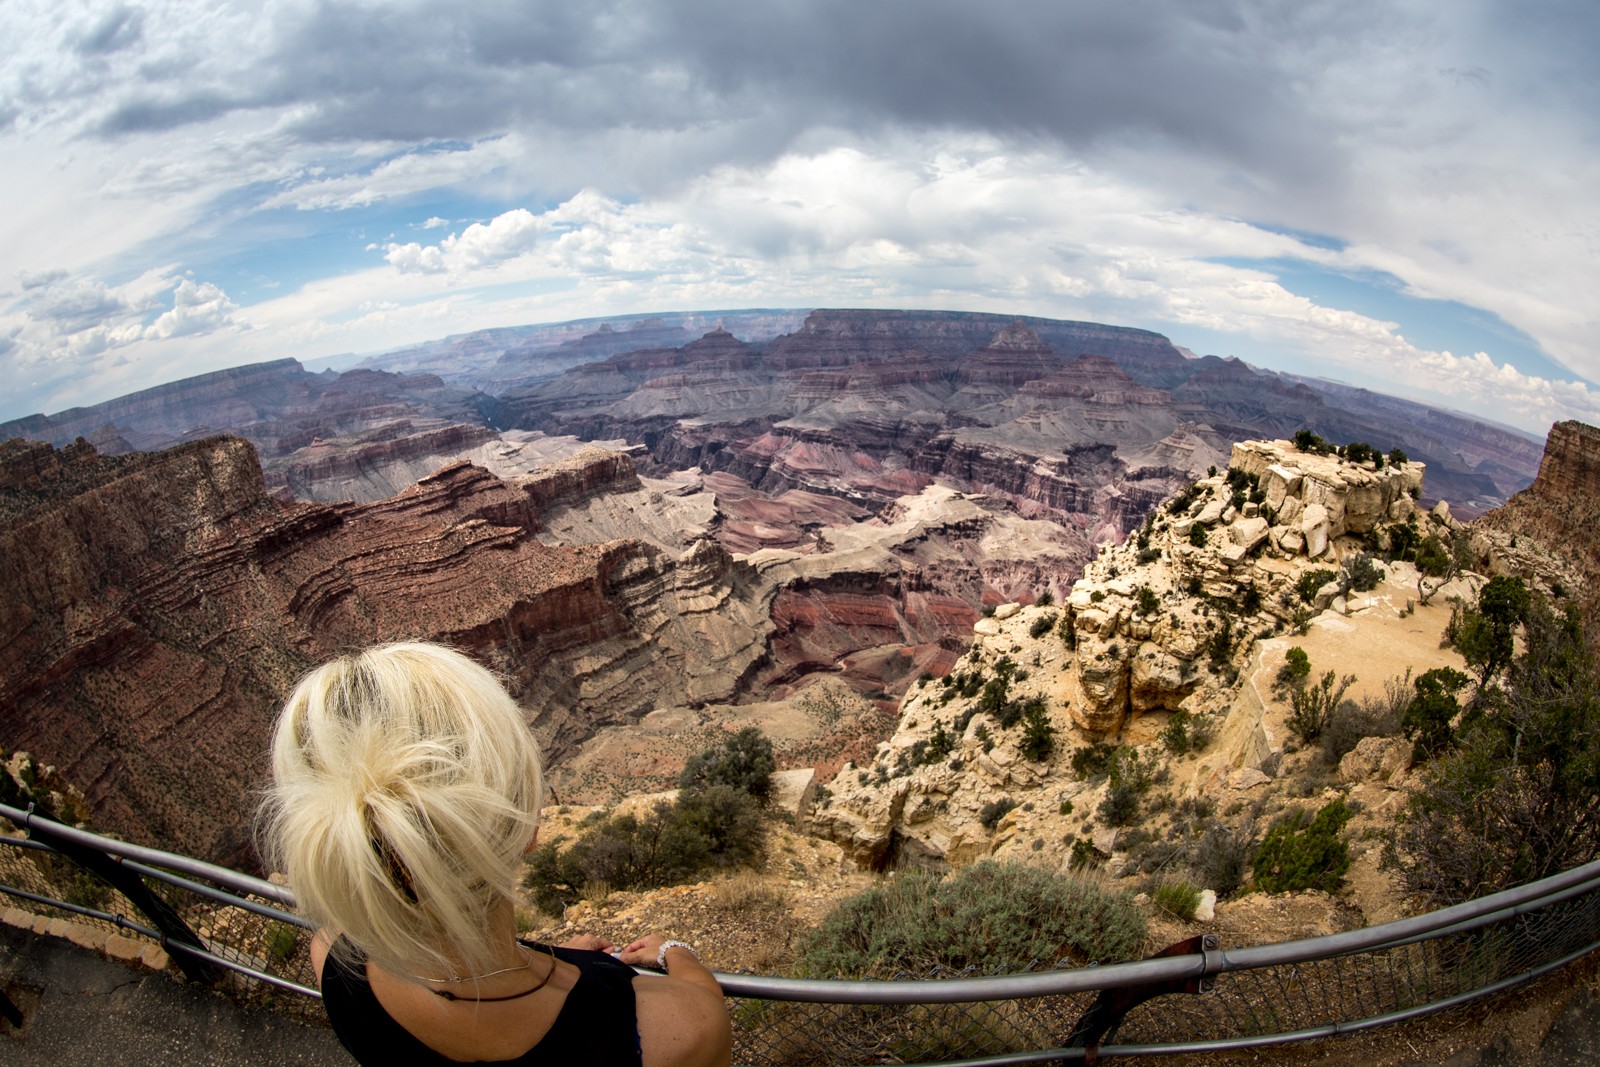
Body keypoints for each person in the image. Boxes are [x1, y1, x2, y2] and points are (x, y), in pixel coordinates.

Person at [259, 641, 732, 1066]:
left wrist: (547, 957)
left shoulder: (334, 956)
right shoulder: (673, 1032)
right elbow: (701, 1008)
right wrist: (677, 952)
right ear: (528, 827)